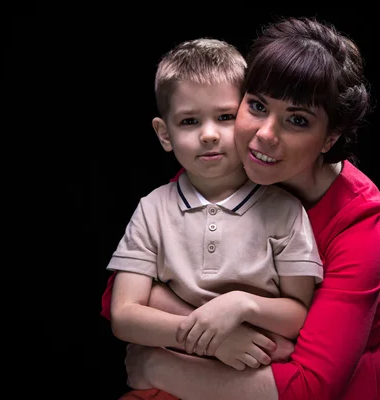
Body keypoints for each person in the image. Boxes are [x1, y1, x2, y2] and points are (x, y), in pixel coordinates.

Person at [106, 16, 380, 400]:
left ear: (330, 136)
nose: (264, 134)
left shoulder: (362, 220)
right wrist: (216, 337)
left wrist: (158, 364)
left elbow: (312, 383)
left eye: (297, 120)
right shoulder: (226, 165)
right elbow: (124, 290)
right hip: (219, 363)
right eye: (258, 106)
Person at [105, 36, 325, 391]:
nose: (208, 135)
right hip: (169, 384)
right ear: (164, 134)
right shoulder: (153, 209)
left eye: (224, 117)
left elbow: (297, 316)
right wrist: (215, 338)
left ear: (245, 118)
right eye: (190, 121)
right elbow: (124, 315)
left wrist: (241, 306)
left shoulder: (284, 210)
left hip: (249, 383)